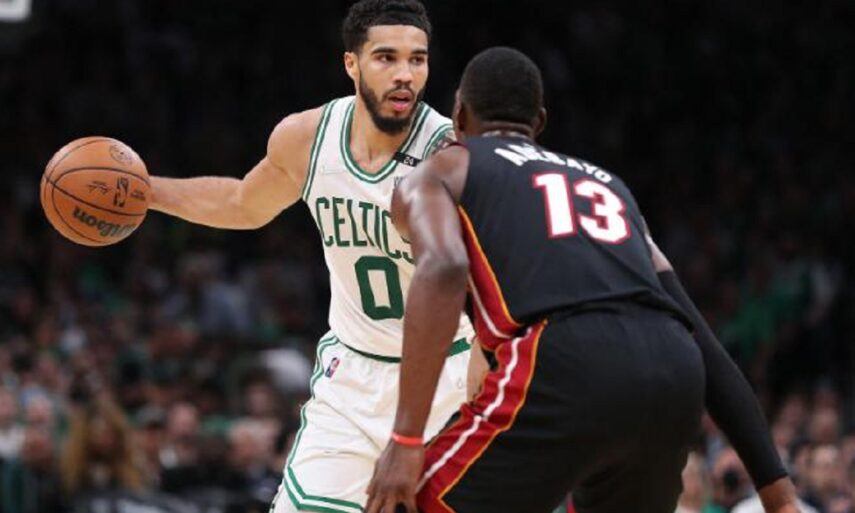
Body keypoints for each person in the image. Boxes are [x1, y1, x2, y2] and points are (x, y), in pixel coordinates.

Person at [366, 47, 802, 513]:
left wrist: (406, 439)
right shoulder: (610, 189)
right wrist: (780, 496)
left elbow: (445, 267)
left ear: (458, 116)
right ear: (539, 122)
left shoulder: (445, 167)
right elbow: (700, 338)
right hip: (674, 372)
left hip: (566, 360)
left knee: (401, 502)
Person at [148, 1, 476, 511]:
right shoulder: (307, 139)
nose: (405, 74)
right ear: (352, 64)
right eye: (386, 57)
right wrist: (146, 191)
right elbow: (242, 204)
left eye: (417, 59)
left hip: (449, 374)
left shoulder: (452, 155)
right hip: (353, 378)